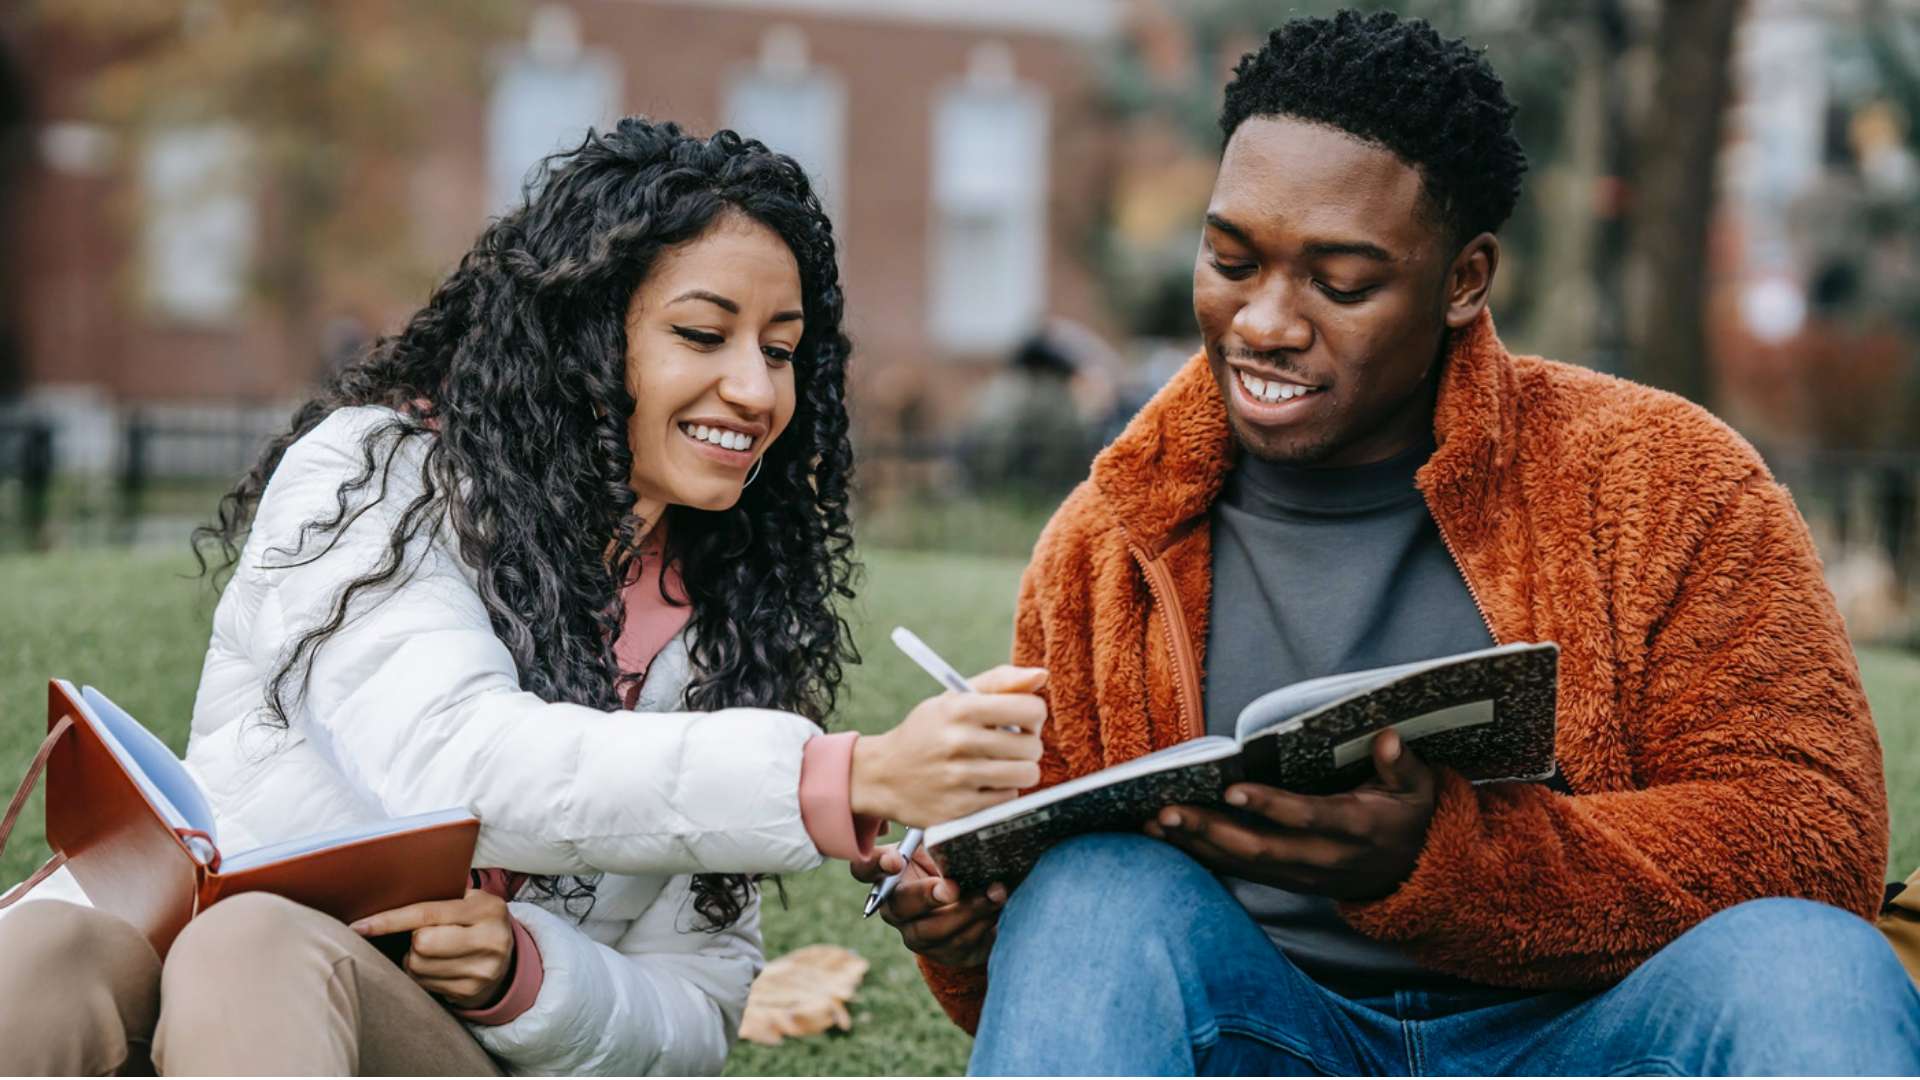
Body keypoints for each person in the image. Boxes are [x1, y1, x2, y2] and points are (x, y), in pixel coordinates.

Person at [856, 11, 1920, 1074]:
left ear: (1464, 280)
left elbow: (1811, 838)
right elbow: (1080, 986)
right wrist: (965, 924)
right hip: (1269, 1033)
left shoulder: (1668, 483)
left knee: (1812, 965)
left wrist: (1452, 863)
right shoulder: (1107, 541)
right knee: (1089, 891)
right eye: (1230, 260)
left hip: (1591, 1033)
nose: (1263, 321)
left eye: (1341, 281)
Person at [0, 118, 1047, 1076]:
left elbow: (696, 1005)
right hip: (185, 973)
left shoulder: (726, 619)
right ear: (584, 337)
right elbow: (451, 760)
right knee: (47, 949)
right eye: (703, 335)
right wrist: (843, 777)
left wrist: (525, 975)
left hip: (408, 1038)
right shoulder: (376, 481)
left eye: (779, 349)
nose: (758, 389)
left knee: (254, 943)